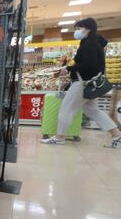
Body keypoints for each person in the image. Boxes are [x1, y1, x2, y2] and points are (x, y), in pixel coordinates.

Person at [41, 18, 121, 147]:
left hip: (82, 83)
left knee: (66, 109)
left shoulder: (89, 44)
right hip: (89, 84)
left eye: (79, 28)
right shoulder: (94, 43)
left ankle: (59, 137)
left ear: (88, 29)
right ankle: (116, 134)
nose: (76, 32)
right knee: (93, 111)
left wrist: (68, 69)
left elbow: (89, 65)